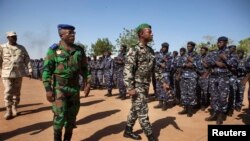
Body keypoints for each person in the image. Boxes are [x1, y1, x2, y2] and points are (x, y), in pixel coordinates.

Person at [42, 24, 89, 141]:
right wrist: (48, 90)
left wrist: (88, 83)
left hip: (74, 88)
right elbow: (46, 71)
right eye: (70, 33)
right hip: (59, 88)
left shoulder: (79, 50)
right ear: (61, 35)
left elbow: (85, 68)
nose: (73, 35)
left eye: (74, 33)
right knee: (60, 116)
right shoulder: (53, 50)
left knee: (72, 118)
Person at [123, 23, 168, 141]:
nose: (152, 33)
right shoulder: (134, 49)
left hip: (145, 85)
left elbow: (156, 69)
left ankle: (127, 130)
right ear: (141, 34)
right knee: (143, 111)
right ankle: (151, 137)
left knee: (135, 108)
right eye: (149, 31)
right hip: (137, 85)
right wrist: (130, 87)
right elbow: (128, 69)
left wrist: (163, 81)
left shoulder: (150, 51)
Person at [0, 31, 32, 120]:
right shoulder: (2, 47)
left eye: (15, 36)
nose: (14, 38)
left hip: (18, 73)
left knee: (17, 92)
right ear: (8, 38)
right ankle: (8, 110)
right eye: (12, 37)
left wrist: (30, 70)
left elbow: (27, 59)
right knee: (8, 90)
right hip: (6, 73)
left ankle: (15, 107)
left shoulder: (21, 48)